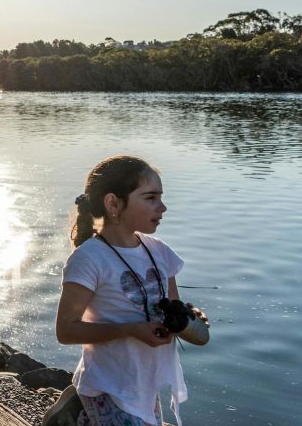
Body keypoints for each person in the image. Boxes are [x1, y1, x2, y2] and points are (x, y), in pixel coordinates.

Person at [52, 156, 209, 426]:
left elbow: (172, 305)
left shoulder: (160, 252)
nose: (163, 207)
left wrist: (189, 318)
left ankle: (79, 417)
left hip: (145, 382)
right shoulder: (89, 259)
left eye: (160, 197)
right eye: (150, 198)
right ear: (113, 203)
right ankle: (81, 410)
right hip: (108, 384)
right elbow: (65, 331)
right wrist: (130, 329)